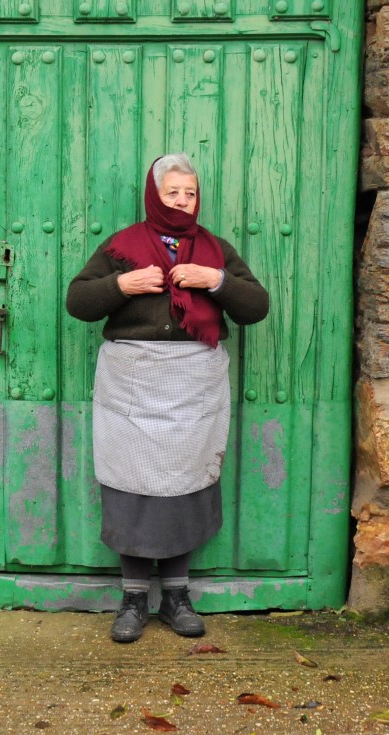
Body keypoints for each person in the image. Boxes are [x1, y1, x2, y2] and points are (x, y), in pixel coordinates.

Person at [66, 154, 269, 643]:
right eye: (173, 192)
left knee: (185, 481)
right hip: (133, 383)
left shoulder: (214, 250)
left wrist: (214, 281)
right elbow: (78, 302)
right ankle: (133, 598)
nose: (183, 201)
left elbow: (256, 307)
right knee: (132, 482)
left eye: (190, 193)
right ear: (155, 195)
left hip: (193, 383)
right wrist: (122, 283)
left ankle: (177, 596)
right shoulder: (123, 246)